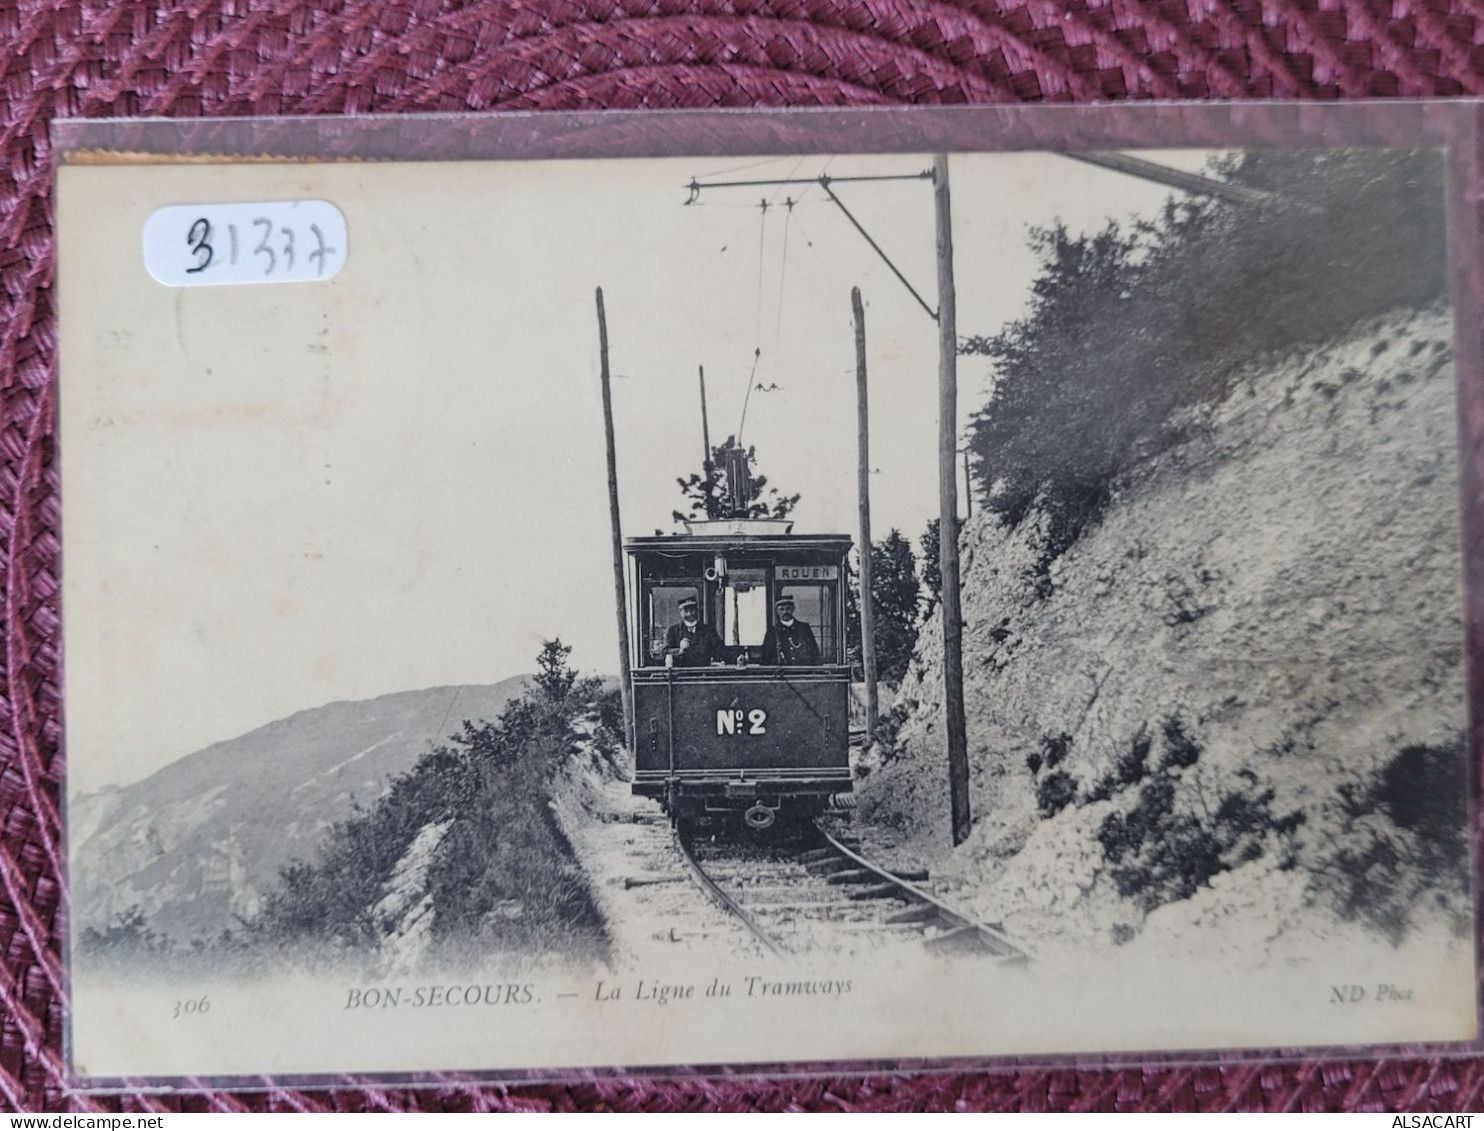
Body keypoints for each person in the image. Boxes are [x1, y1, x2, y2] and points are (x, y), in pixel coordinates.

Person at [664, 594, 726, 667]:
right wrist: (680, 650)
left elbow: (720, 650)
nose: (690, 614)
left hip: (704, 674)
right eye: (686, 610)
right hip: (679, 674)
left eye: (692, 610)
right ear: (680, 612)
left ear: (697, 610)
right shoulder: (672, 630)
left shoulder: (708, 630)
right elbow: (664, 653)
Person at [760, 593, 820, 666]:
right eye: (781, 609)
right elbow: (766, 658)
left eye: (788, 608)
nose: (785, 612)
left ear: (793, 609)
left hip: (803, 673)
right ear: (777, 611)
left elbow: (815, 653)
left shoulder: (804, 628)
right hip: (781, 674)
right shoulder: (772, 631)